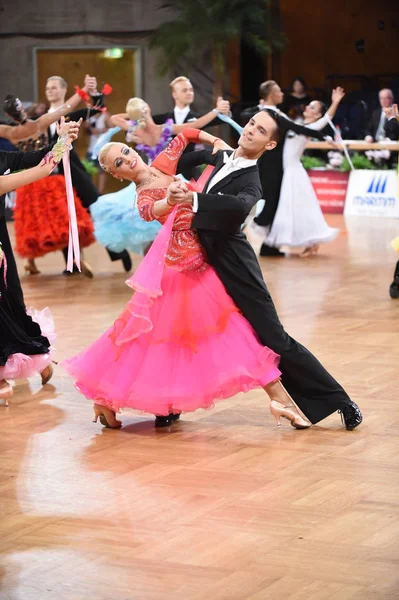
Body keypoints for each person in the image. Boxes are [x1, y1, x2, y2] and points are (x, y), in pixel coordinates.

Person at [62, 127, 311, 431]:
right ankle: (105, 398)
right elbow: (155, 209)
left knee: (233, 332)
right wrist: (171, 198)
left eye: (125, 152)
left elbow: (185, 134)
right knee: (152, 341)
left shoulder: (162, 165)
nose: (127, 161)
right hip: (176, 277)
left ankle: (278, 400)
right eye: (118, 164)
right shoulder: (141, 197)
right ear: (117, 175)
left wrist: (215, 141)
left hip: (203, 266)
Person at [166, 110, 362, 431]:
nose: (251, 131)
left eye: (260, 131)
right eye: (251, 124)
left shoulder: (252, 182)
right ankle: (168, 404)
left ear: (269, 145)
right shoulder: (220, 156)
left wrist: (194, 198)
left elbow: (240, 207)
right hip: (196, 261)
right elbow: (181, 160)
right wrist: (171, 180)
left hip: (234, 268)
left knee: (274, 339)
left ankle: (339, 400)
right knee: (181, 330)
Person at [0, 118, 81, 406]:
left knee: (10, 301)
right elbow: (44, 166)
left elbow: (41, 161)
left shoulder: (3, 158)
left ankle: (29, 357)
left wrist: (62, 139)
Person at [44, 75, 133, 275]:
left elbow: (96, 110)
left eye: (55, 87)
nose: (51, 90)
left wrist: (94, 94)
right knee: (65, 218)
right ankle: (73, 263)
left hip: (75, 172)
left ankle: (118, 250)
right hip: (53, 178)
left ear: (64, 90)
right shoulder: (41, 118)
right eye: (48, 88)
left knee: (97, 209)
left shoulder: (71, 114)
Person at [241, 80, 328, 257]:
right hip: (264, 165)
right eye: (279, 91)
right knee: (260, 203)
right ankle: (241, 231)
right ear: (271, 95)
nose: (283, 93)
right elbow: (243, 117)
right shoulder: (259, 113)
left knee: (272, 205)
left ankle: (268, 245)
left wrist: (322, 135)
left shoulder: (280, 115)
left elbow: (297, 128)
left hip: (279, 168)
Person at [256, 88, 345, 256]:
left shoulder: (313, 126)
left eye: (312, 108)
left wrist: (335, 102)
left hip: (294, 172)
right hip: (286, 171)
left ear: (317, 115)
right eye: (309, 106)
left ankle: (312, 242)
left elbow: (327, 118)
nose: (307, 108)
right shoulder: (297, 123)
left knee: (300, 210)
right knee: (289, 211)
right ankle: (297, 243)